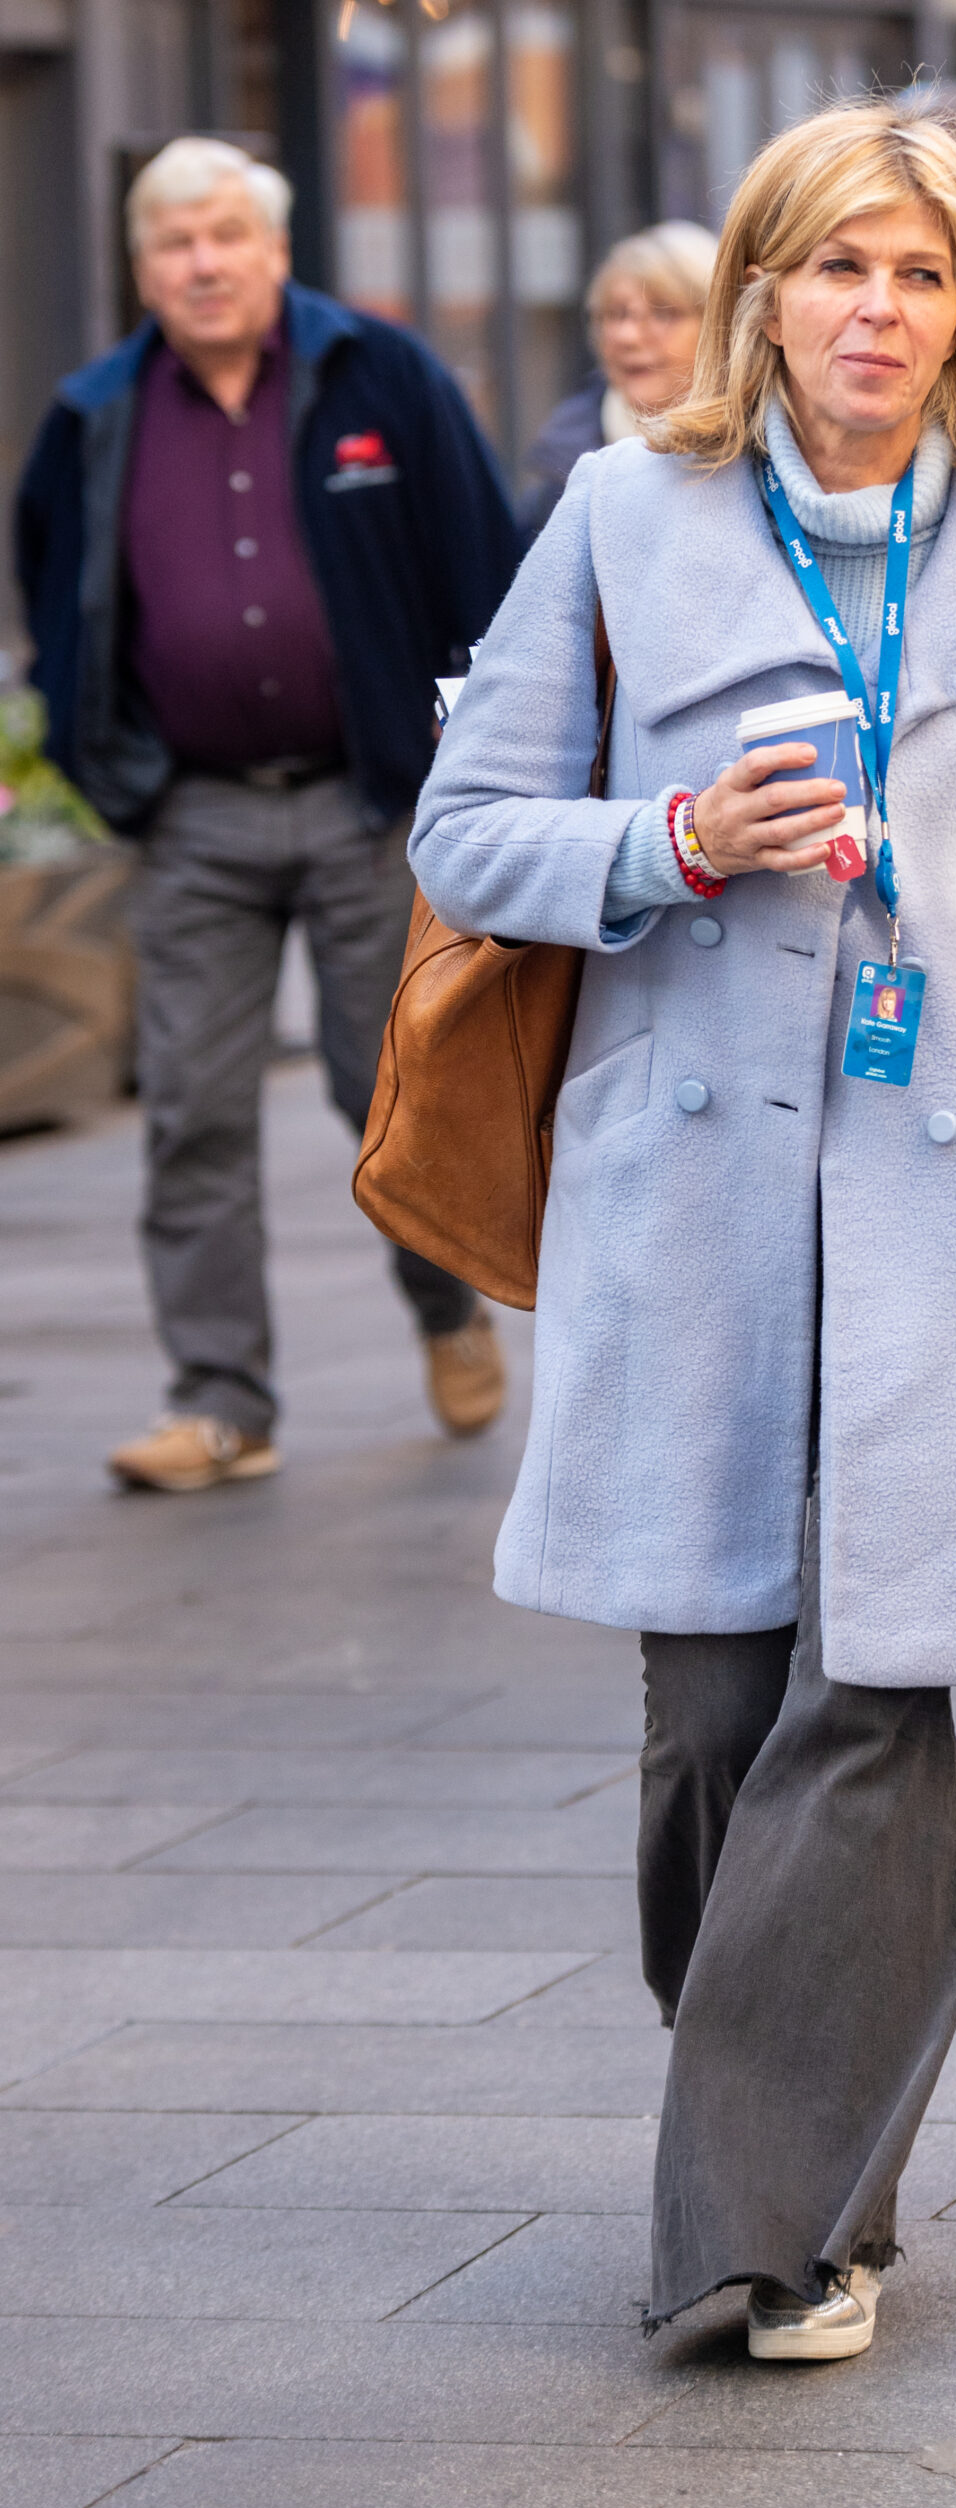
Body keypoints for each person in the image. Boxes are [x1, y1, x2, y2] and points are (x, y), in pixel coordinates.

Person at [410, 101, 956, 2359]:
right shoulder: (621, 519)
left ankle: (774, 2229)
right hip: (684, 1213)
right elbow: (466, 833)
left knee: (868, 1695)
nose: (880, 312)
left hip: (952, 1210)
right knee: (707, 1728)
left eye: (924, 277)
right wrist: (664, 832)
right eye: (840, 267)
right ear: (761, 291)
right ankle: (868, 1966)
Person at [13, 137, 520, 1493]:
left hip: (372, 808)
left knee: (390, 1092)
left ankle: (445, 1306)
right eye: (174, 241)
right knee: (190, 1112)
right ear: (141, 268)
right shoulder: (95, 414)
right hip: (196, 819)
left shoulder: (380, 376)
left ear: (276, 249)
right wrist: (110, 767)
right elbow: (57, 597)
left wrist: (468, 769)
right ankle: (220, 1401)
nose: (202, 261)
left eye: (225, 233)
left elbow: (485, 567)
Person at [517, 221, 717, 538]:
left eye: (663, 313)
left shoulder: (766, 459)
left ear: (719, 327)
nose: (626, 336)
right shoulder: (559, 480)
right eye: (615, 314)